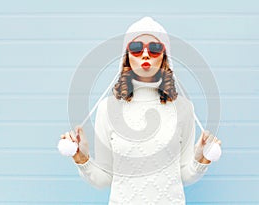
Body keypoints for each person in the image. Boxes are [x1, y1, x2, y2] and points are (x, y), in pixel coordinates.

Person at [60, 16, 222, 205]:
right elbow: (103, 179)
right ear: (127, 56)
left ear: (165, 56)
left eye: (155, 48)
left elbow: (184, 176)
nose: (145, 55)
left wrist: (200, 159)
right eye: (136, 48)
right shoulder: (108, 108)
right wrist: (81, 157)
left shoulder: (183, 108)